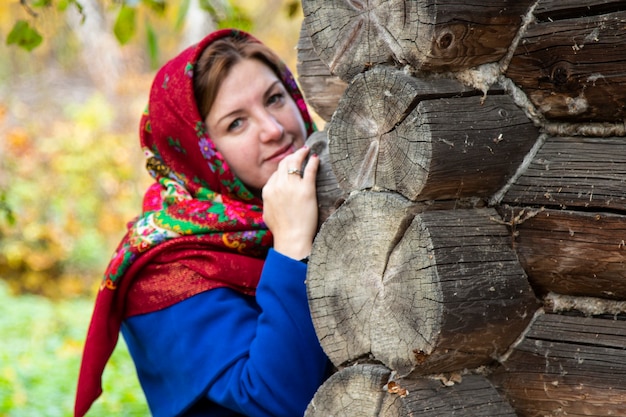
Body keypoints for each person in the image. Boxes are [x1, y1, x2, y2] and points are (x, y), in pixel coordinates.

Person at [74, 29, 331, 417]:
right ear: (197, 152)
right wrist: (291, 243)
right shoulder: (164, 273)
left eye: (275, 99)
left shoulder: (332, 200)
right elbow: (275, 398)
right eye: (236, 124)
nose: (274, 129)